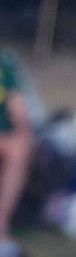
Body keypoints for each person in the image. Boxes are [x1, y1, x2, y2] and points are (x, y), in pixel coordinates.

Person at [0, 52, 35, 239]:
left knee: (20, 149)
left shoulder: (4, 65)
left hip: (4, 134)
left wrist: (25, 128)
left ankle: (1, 221)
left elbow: (18, 104)